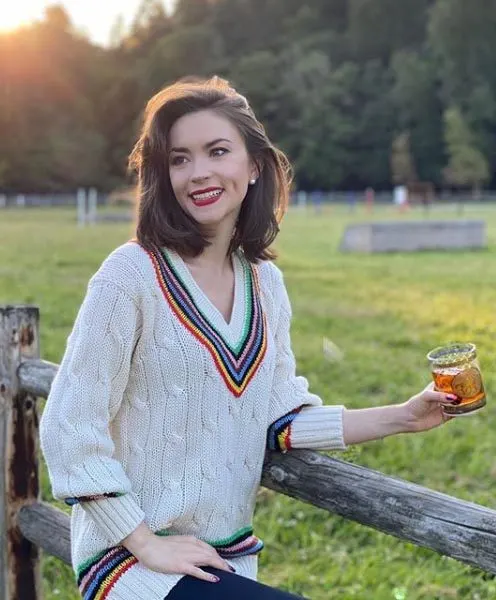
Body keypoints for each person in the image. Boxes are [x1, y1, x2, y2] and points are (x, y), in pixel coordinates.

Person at [39, 76, 456, 600]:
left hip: (226, 558)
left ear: (253, 166)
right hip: (132, 565)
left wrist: (404, 416)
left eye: (217, 151)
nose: (199, 172)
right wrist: (144, 541)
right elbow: (69, 424)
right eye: (179, 159)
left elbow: (279, 416)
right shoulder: (130, 275)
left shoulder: (265, 283)